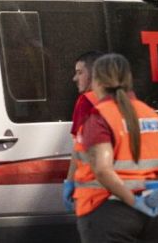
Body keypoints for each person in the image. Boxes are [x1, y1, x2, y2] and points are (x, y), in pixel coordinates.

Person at [72, 53, 158, 242]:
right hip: (150, 216)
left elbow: (102, 169)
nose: (75, 78)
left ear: (97, 81)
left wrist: (133, 201)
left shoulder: (99, 117)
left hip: (106, 211)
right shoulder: (151, 116)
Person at [62, 49, 104, 209]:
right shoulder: (123, 99)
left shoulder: (86, 101)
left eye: (80, 72)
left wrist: (70, 182)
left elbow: (79, 149)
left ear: (94, 74)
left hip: (95, 188)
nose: (75, 78)